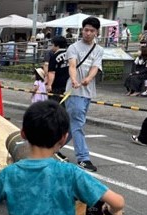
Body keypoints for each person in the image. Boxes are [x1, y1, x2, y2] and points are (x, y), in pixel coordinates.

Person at [64, 16, 104, 173]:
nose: (88, 33)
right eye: (86, 30)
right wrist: (74, 79)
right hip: (75, 93)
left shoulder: (98, 50)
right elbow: (72, 65)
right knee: (78, 124)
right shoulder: (73, 47)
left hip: (88, 93)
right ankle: (83, 158)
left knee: (70, 125)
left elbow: (95, 67)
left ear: (96, 32)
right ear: (82, 30)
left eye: (91, 31)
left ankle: (50, 149)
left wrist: (88, 78)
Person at [46, 36, 69, 103]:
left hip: (57, 85)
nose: (51, 47)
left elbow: (52, 72)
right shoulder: (70, 54)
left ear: (57, 45)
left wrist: (49, 85)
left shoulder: (54, 56)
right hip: (68, 84)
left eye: (52, 44)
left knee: (54, 105)